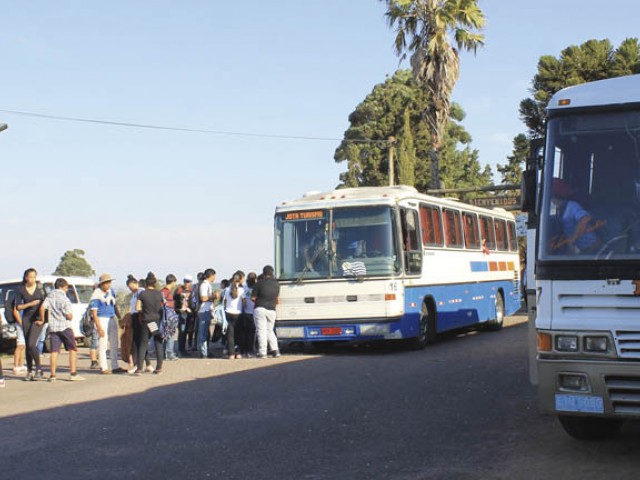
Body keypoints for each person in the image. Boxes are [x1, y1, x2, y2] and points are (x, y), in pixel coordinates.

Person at [39, 278, 85, 382]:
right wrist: (70, 316)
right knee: (72, 349)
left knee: (54, 351)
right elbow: (69, 316)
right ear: (63, 286)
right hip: (65, 326)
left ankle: (52, 375)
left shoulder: (50, 296)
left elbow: (42, 308)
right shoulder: (65, 299)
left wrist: (42, 320)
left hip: (53, 327)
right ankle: (73, 373)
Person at [550, 178, 599, 254]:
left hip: (590, 249)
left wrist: (573, 239)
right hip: (580, 249)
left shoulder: (572, 206)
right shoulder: (562, 210)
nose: (551, 201)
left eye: (551, 197)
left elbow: (585, 218)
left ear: (556, 196)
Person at [90, 273, 125, 374]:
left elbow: (114, 305)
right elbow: (94, 313)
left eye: (109, 282)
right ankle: (103, 366)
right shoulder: (96, 295)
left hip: (111, 317)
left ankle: (115, 366)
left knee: (114, 343)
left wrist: (119, 318)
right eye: (107, 283)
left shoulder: (111, 292)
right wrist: (99, 327)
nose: (109, 285)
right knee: (103, 343)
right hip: (102, 318)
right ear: (102, 284)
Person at [16, 268, 45, 381]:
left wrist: (43, 319)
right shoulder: (21, 290)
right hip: (26, 319)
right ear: (26, 277)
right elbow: (18, 307)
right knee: (28, 346)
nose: (32, 279)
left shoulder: (40, 289)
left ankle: (39, 369)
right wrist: (29, 304)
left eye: (34, 277)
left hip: (37, 319)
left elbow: (45, 305)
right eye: (30, 277)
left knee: (32, 344)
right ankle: (29, 371)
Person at [135, 272, 165, 375]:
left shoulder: (142, 294)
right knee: (158, 344)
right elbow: (163, 306)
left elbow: (137, 307)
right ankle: (159, 368)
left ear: (146, 283)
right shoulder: (159, 293)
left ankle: (139, 368)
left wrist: (143, 311)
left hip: (146, 321)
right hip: (156, 321)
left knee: (143, 344)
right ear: (155, 283)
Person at [252, 265, 280, 359]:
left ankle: (262, 352)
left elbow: (253, 298)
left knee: (261, 331)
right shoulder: (277, 284)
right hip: (272, 310)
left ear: (263, 273)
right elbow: (277, 299)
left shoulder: (259, 283)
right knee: (270, 331)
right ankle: (275, 351)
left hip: (260, 308)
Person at [223, 271, 245, 359]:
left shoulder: (227, 289)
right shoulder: (241, 290)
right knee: (239, 334)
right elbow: (244, 302)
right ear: (239, 281)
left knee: (230, 334)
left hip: (228, 312)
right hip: (238, 313)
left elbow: (224, 301)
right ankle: (238, 352)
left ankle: (231, 353)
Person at [197, 268, 217, 358]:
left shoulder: (208, 285)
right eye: (214, 275)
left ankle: (206, 351)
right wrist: (213, 296)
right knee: (203, 332)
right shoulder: (204, 285)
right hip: (204, 310)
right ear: (211, 275)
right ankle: (203, 352)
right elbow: (203, 298)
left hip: (208, 310)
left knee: (206, 333)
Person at [174, 274, 194, 357]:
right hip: (181, 313)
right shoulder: (179, 290)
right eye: (185, 281)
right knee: (182, 332)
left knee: (187, 331)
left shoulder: (192, 291)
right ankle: (180, 350)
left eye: (188, 281)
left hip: (189, 313)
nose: (187, 283)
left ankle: (184, 349)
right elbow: (175, 301)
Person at [161, 274, 179, 361]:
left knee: (166, 335)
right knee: (170, 335)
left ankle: (165, 353)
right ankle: (169, 353)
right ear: (173, 282)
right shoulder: (166, 292)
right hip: (168, 318)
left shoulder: (162, 291)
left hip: (165, 317)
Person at [240, 272, 258, 358]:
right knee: (252, 332)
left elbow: (243, 300)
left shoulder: (244, 287)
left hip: (246, 312)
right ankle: (250, 350)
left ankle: (244, 350)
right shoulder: (256, 287)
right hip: (254, 312)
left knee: (245, 332)